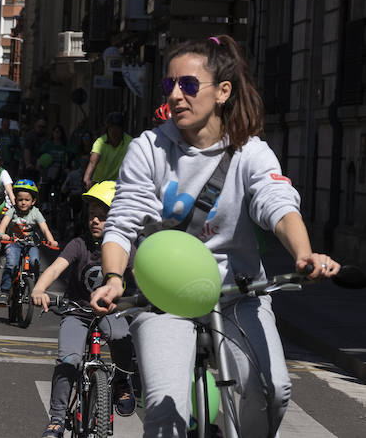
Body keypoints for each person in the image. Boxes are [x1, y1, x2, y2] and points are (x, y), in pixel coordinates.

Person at [90, 34, 341, 437]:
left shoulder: (250, 152)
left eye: (188, 85)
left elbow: (278, 204)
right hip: (163, 298)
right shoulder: (149, 148)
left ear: (223, 91)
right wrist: (115, 278)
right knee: (163, 413)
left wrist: (304, 255)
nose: (175, 95)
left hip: (236, 292)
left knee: (272, 389)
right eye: (168, 85)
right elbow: (124, 219)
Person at [31, 181, 136, 437]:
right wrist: (38, 289)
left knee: (122, 339)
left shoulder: (126, 248)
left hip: (112, 311)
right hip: (77, 310)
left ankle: (122, 381)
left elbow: (141, 276)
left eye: (102, 216)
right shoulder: (79, 244)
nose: (95, 221)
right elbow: (56, 268)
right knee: (69, 360)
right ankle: (56, 418)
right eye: (92, 215)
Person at [0, 179, 58, 306]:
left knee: (35, 262)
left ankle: (34, 289)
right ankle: (4, 291)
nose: (23, 202)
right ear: (15, 200)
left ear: (33, 201)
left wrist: (51, 241)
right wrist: (2, 234)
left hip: (31, 244)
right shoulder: (13, 210)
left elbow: (44, 228)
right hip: (14, 242)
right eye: (20, 200)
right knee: (11, 263)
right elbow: (4, 223)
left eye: (27, 200)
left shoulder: (36, 212)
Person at [83, 111, 132, 190]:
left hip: (120, 186)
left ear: (122, 129)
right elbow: (92, 163)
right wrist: (87, 178)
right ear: (107, 128)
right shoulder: (100, 142)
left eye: (117, 127)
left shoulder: (130, 142)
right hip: (99, 185)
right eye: (112, 127)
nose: (114, 131)